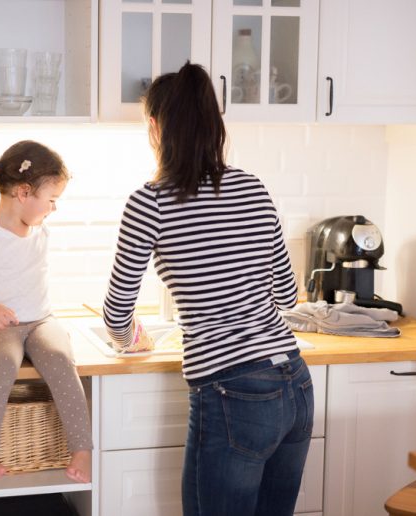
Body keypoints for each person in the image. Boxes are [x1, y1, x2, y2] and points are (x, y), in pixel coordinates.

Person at [102, 62, 314, 516]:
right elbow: (288, 297)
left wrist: (128, 340)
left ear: (155, 126)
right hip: (294, 384)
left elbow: (118, 310)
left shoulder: (150, 201)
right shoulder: (253, 188)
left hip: (231, 391)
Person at [0, 140, 92, 483]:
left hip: (40, 320)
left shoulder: (40, 229)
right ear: (23, 192)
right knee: (1, 365)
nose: (54, 208)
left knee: (60, 358)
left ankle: (82, 447)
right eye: (51, 200)